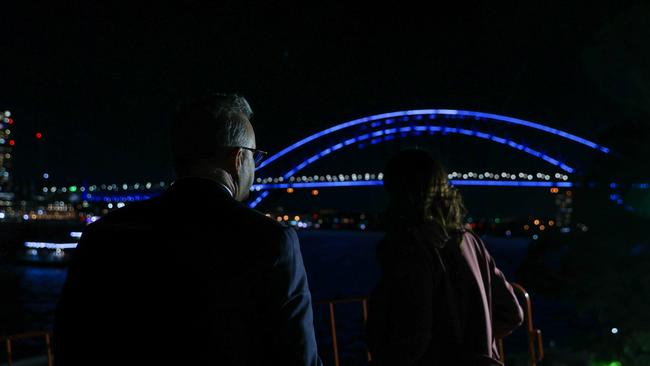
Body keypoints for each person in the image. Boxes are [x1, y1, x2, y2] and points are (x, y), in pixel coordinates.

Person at [54, 93, 322, 365]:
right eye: (255, 156)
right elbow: (299, 357)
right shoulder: (272, 241)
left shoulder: (104, 233)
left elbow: (69, 342)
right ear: (238, 159)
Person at [367, 149, 523, 366]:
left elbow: (413, 339)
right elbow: (512, 313)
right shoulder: (471, 241)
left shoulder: (412, 248)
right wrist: (475, 341)